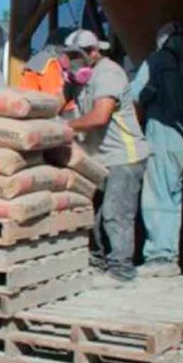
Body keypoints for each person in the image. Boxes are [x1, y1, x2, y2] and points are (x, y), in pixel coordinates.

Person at [65, 29, 149, 287]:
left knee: (116, 213)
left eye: (76, 56)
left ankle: (121, 271)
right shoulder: (78, 79)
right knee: (96, 215)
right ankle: (99, 263)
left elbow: (100, 116)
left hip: (123, 157)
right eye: (68, 56)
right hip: (100, 158)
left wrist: (65, 127)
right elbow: (57, 100)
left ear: (93, 52)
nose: (71, 61)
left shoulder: (109, 74)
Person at [130, 23, 183, 277]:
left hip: (163, 135)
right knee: (175, 198)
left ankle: (159, 258)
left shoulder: (157, 60)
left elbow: (136, 95)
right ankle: (170, 254)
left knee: (156, 196)